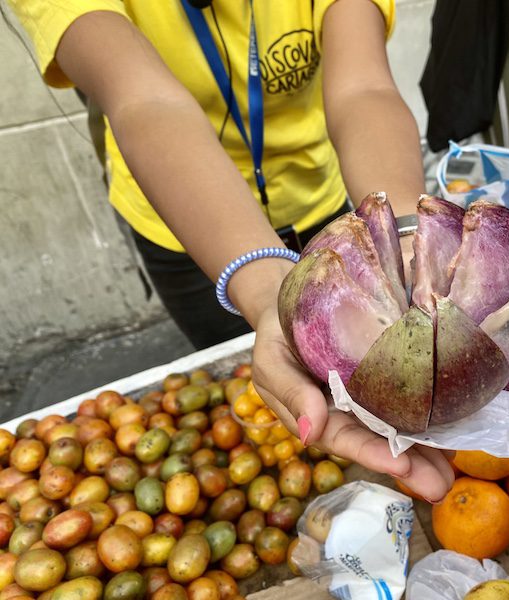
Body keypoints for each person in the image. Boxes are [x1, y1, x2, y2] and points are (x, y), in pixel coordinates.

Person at [7, 0, 454, 502]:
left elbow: (364, 87)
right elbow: (144, 101)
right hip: (187, 219)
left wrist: (407, 239)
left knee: (341, 368)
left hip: (322, 201)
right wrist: (268, 295)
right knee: (255, 367)